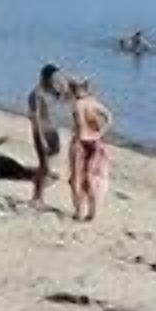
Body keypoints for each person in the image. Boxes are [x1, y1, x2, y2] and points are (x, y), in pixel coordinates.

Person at [68, 77, 113, 222]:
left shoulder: (78, 104)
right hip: (94, 141)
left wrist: (81, 132)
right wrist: (100, 132)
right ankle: (92, 212)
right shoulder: (93, 102)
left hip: (80, 141)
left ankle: (79, 211)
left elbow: (80, 123)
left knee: (76, 178)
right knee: (90, 177)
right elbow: (109, 116)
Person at [27, 64, 69, 208]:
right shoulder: (36, 94)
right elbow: (35, 117)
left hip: (53, 129)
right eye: (54, 77)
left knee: (55, 153)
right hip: (42, 131)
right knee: (44, 165)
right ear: (46, 77)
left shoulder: (52, 91)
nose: (56, 80)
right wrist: (41, 138)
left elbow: (65, 97)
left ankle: (41, 176)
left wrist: (64, 85)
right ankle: (37, 198)